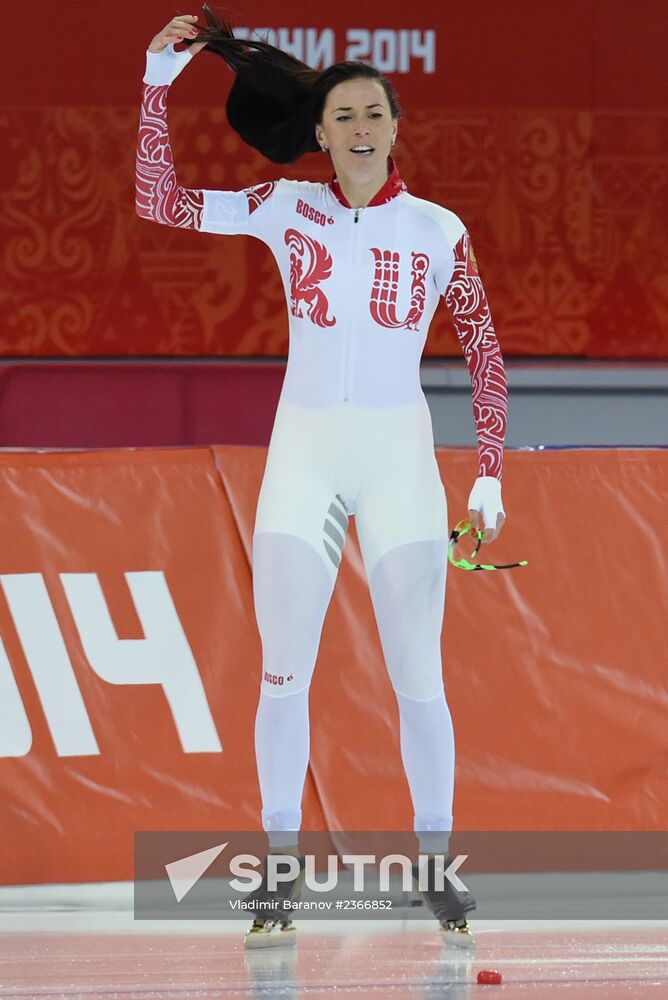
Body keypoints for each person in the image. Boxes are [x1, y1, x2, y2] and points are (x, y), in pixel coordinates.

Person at [136, 7, 508, 947]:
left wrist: (491, 475)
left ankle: (437, 869)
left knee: (418, 679)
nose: (359, 130)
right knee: (281, 673)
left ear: (394, 128)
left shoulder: (438, 230)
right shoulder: (281, 205)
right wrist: (154, 85)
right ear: (319, 132)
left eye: (373, 113)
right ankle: (278, 875)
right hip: (302, 460)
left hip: (400, 468)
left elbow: (486, 355)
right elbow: (160, 201)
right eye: (341, 115)